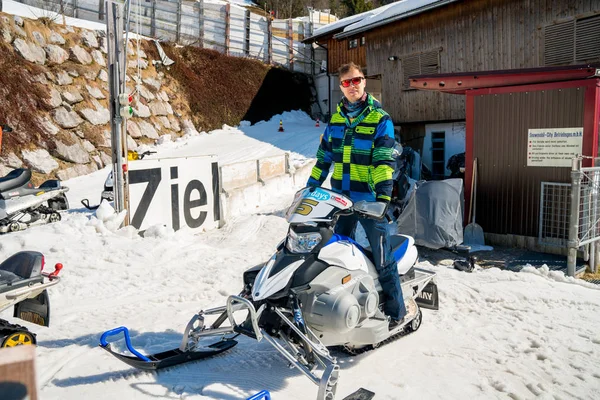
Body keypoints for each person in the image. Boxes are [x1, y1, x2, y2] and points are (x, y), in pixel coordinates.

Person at [307, 62, 407, 328]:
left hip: (370, 200)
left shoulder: (380, 118)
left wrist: (383, 198)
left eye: (356, 80)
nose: (352, 86)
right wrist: (311, 187)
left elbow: (383, 160)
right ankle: (346, 306)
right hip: (341, 199)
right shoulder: (336, 120)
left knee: (382, 256)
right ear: (340, 86)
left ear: (364, 81)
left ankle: (397, 312)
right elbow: (324, 158)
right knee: (338, 254)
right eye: (346, 82)